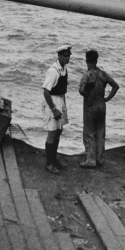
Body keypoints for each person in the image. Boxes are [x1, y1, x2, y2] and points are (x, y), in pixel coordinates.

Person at [77, 49, 119, 168]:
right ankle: (99, 158)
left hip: (91, 105)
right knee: (100, 132)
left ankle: (91, 160)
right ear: (96, 60)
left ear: (87, 60)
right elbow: (116, 86)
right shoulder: (103, 74)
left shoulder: (87, 75)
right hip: (101, 104)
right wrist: (107, 98)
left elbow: (81, 90)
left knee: (89, 132)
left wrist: (88, 96)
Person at [42, 44, 72, 175]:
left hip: (60, 100)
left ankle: (54, 159)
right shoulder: (53, 71)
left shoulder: (64, 68)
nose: (68, 58)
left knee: (59, 131)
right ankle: (49, 164)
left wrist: (63, 106)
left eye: (69, 56)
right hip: (52, 102)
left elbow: (63, 89)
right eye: (65, 56)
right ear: (59, 56)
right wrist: (54, 109)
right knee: (52, 132)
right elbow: (46, 92)